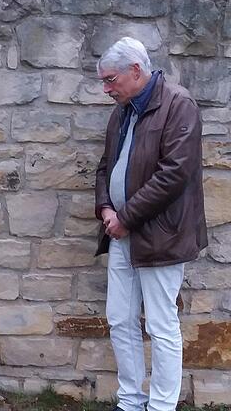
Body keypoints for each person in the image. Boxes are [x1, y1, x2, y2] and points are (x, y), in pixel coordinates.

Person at [94, 37, 207, 411]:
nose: (106, 88)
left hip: (162, 235)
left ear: (136, 71)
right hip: (120, 233)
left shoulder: (179, 105)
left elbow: (174, 174)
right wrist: (106, 209)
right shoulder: (122, 110)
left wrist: (126, 217)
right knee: (120, 321)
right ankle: (129, 401)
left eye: (111, 80)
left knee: (161, 325)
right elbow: (105, 167)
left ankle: (160, 407)